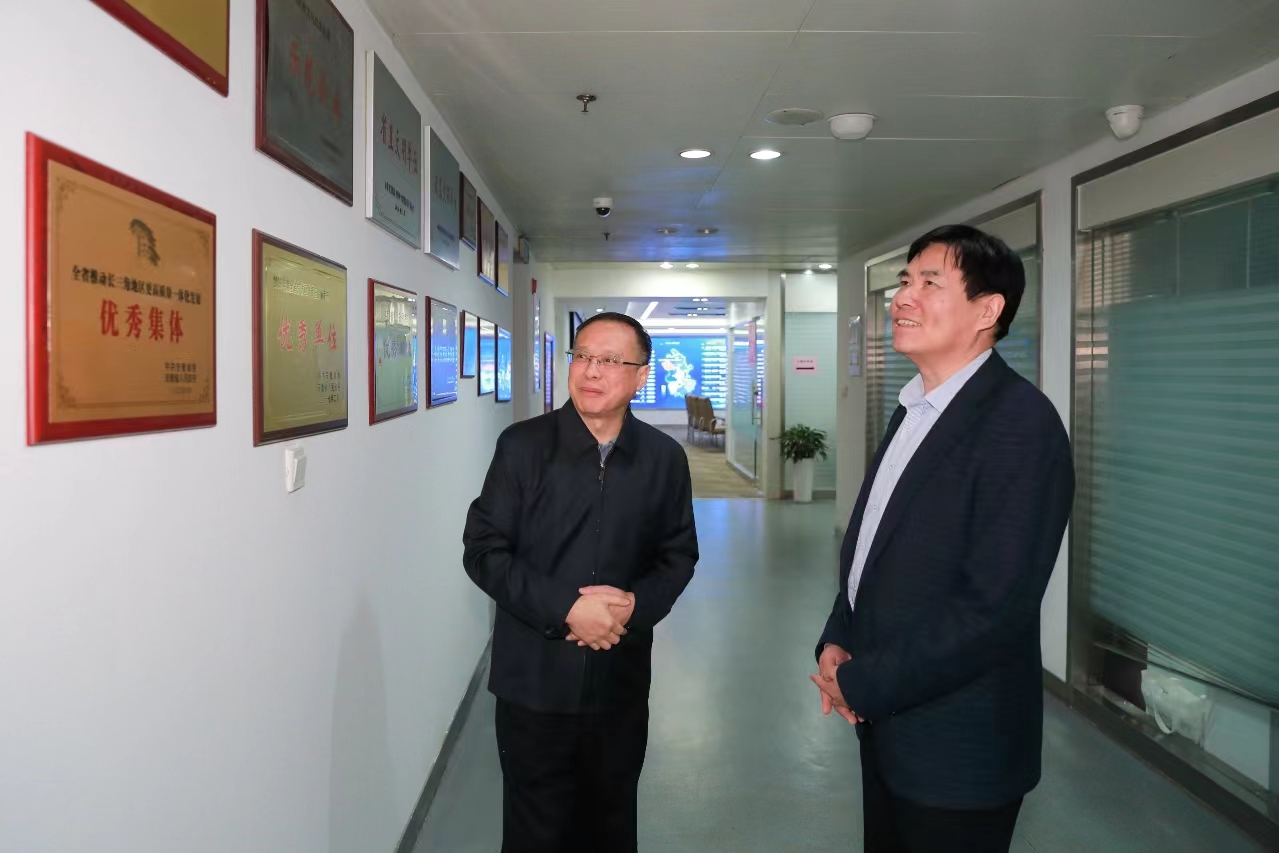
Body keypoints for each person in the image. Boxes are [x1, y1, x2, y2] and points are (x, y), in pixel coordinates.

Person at [810, 225, 1074, 853]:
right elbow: (875, 548)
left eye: (930, 283)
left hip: (958, 747)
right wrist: (839, 637)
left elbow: (993, 609)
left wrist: (864, 684)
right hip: (888, 726)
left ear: (988, 310)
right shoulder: (915, 406)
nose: (903, 297)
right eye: (905, 281)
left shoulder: (1020, 424)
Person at [463, 311, 699, 853]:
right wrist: (566, 609)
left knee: (611, 825)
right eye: (583, 356)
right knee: (534, 832)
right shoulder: (523, 447)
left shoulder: (663, 458)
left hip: (619, 681)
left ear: (641, 376)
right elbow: (484, 550)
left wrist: (633, 608)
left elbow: (678, 554)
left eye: (611, 360)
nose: (591, 371)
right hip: (533, 682)